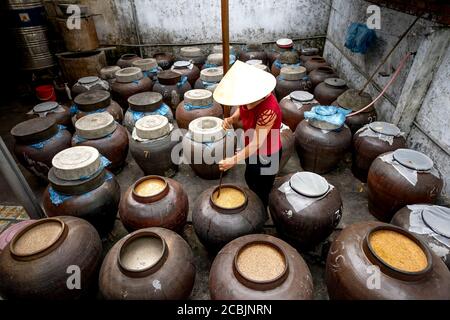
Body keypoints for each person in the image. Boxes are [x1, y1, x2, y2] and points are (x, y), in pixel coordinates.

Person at [213, 61, 282, 208]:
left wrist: (233, 160)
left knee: (262, 188)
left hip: (267, 153)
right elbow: (242, 108)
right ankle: (254, 205)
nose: (243, 102)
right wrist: (232, 119)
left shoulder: (268, 110)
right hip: (251, 148)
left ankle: (261, 213)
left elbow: (257, 143)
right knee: (250, 177)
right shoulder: (247, 97)